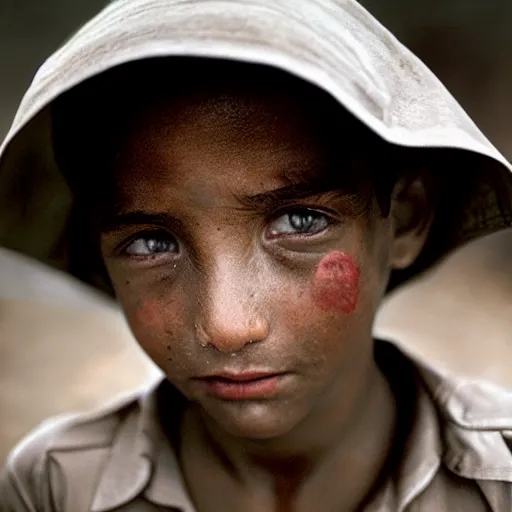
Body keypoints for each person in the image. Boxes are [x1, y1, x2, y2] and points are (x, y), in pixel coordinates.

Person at [1, 0, 512, 510]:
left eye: (301, 221)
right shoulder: (54, 488)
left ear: (404, 217)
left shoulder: (498, 480)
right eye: (152, 243)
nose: (228, 326)